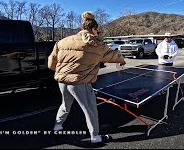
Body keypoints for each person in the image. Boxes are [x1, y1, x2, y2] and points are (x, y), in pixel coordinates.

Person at [47, 11, 126, 144]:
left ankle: (57, 126)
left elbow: (51, 63)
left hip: (62, 81)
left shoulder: (62, 41)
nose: (97, 33)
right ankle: (95, 137)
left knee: (65, 105)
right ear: (94, 29)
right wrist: (122, 60)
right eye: (97, 30)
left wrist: (64, 73)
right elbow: (115, 56)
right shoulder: (97, 45)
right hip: (80, 83)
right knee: (90, 109)